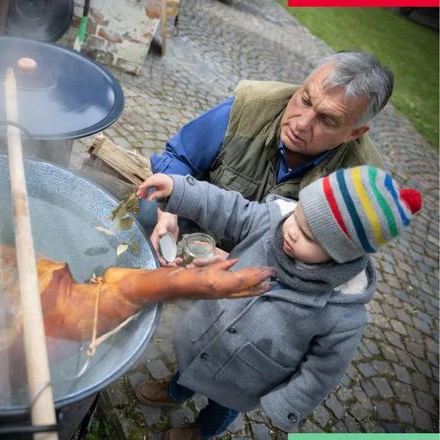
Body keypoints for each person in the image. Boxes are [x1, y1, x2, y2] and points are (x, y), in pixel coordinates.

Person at [135, 166, 421, 439]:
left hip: (246, 378)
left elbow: (324, 369)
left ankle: (202, 430)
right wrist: (179, 189)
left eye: (308, 235)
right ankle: (175, 392)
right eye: (298, 214)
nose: (292, 230)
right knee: (187, 368)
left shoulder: (343, 313)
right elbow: (227, 207)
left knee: (222, 408)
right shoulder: (273, 221)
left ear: (341, 254)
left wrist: (288, 402)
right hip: (206, 335)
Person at [143, 51, 393, 265]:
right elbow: (179, 156)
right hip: (191, 233)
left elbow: (331, 267)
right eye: (305, 100)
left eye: (327, 120)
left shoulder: (360, 182)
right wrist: (168, 215)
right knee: (141, 213)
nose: (302, 124)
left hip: (268, 274)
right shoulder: (250, 105)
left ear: (354, 133)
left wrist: (242, 265)